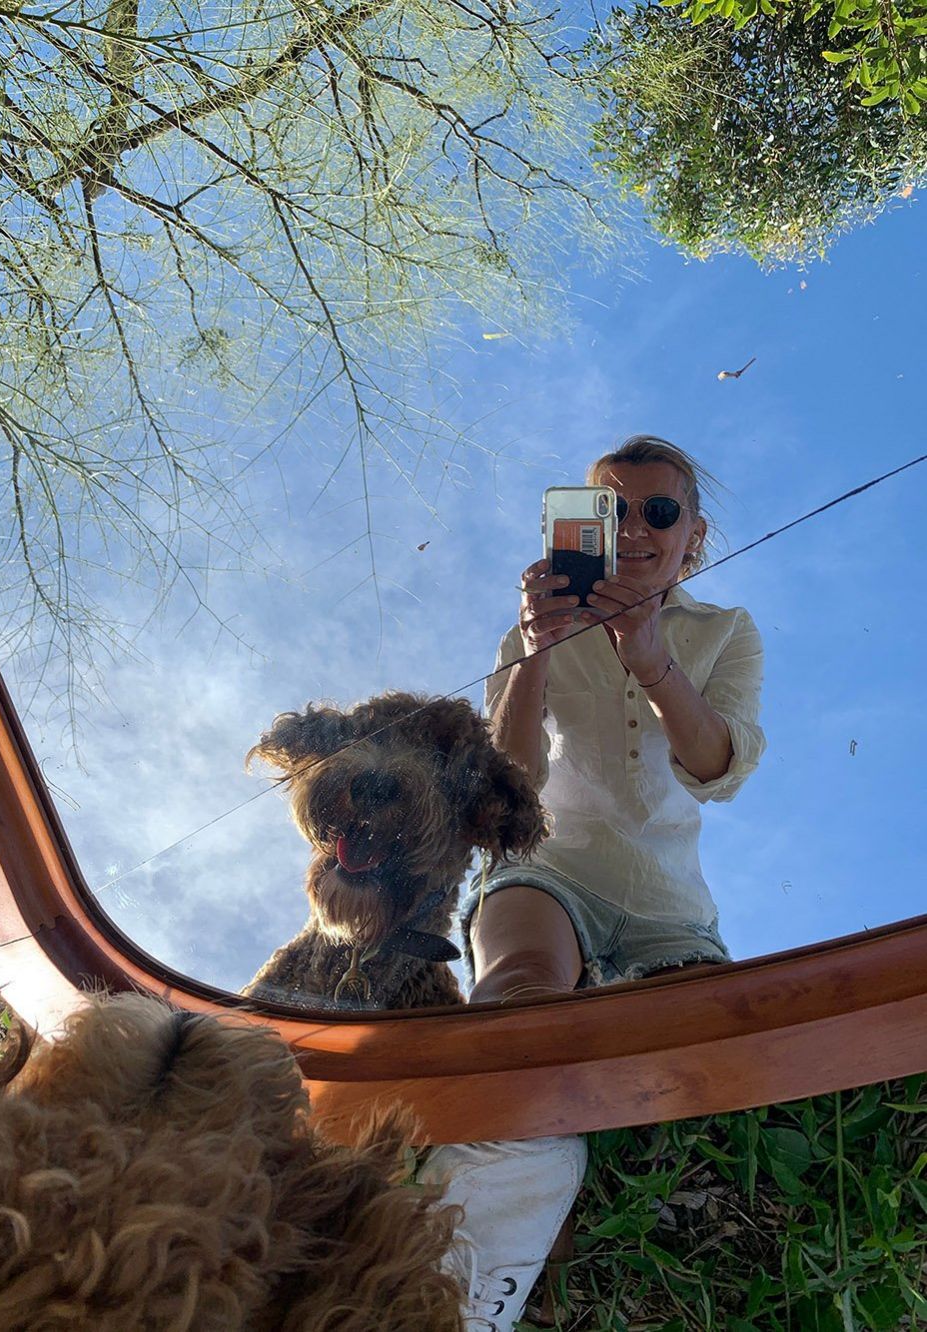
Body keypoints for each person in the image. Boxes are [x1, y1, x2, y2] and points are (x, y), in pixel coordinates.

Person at [419, 436, 766, 1330]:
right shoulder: (529, 629)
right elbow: (511, 784)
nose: (637, 529)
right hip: (548, 867)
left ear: (692, 535)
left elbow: (716, 767)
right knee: (523, 990)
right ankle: (457, 1270)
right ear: (582, 530)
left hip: (667, 901)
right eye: (611, 511)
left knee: (697, 1061)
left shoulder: (724, 631)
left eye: (661, 511)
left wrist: (649, 652)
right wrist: (536, 651)